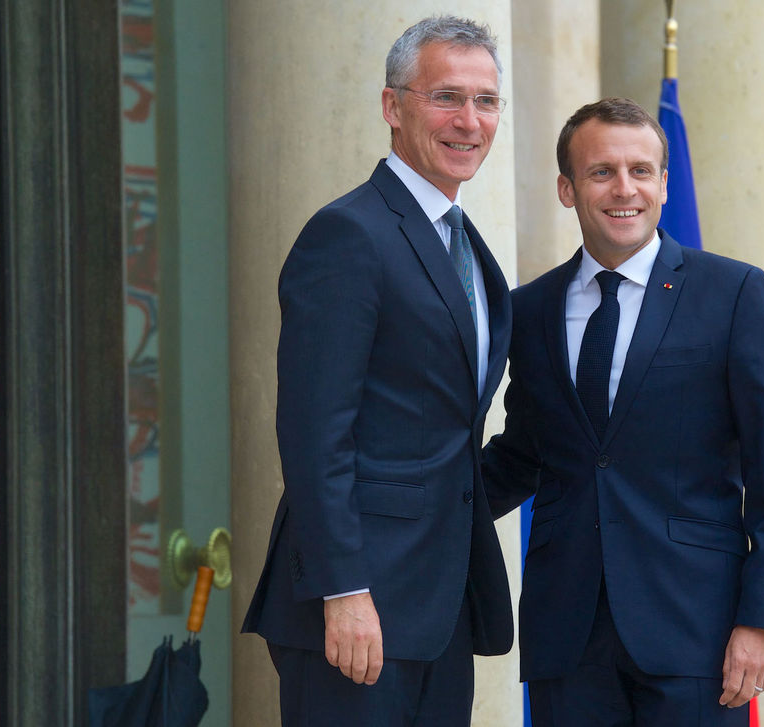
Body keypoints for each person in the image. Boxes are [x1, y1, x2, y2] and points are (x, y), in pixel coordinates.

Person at [482, 97, 764, 726]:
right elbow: (525, 453)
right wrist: (426, 505)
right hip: (567, 636)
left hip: (698, 634)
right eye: (602, 171)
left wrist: (763, 619)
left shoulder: (734, 292)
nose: (623, 188)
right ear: (566, 188)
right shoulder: (529, 310)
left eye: (640, 170)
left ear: (664, 183)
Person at [241, 15, 514, 726]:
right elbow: (312, 430)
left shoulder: (468, 248)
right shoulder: (349, 234)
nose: (469, 120)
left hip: (441, 607)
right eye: (446, 97)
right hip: (356, 609)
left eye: (486, 101)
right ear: (393, 108)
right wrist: (344, 589)